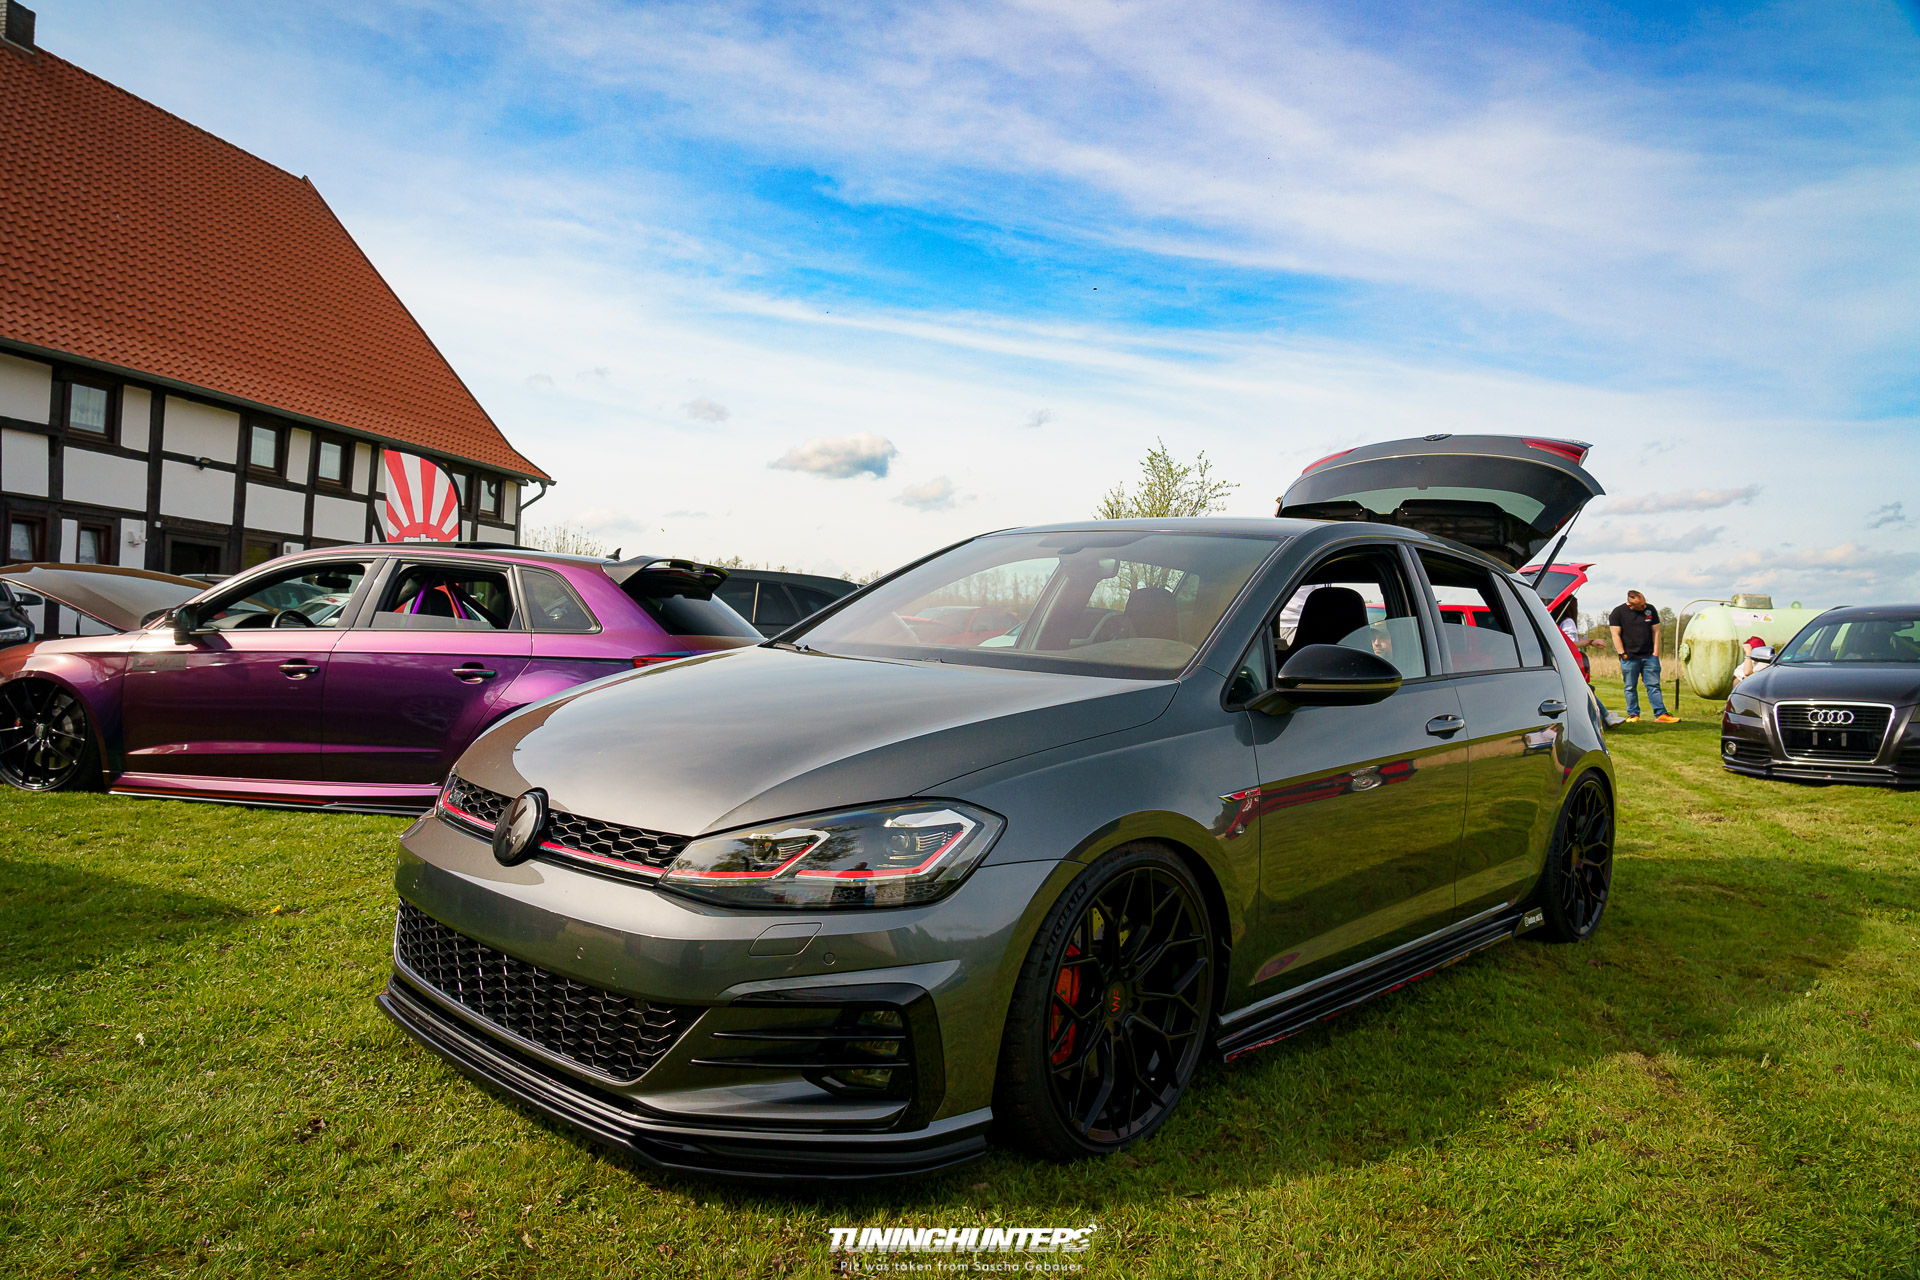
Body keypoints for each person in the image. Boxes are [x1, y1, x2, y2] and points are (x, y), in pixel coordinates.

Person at [1609, 590, 1679, 723]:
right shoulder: (1617, 613)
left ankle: (1661, 714)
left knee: (1653, 686)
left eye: (1645, 602)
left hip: (1649, 657)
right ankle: (1633, 714)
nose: (1645, 606)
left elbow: (1656, 631)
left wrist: (1656, 653)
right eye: (1641, 606)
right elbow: (1615, 634)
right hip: (1629, 657)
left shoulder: (1650, 609)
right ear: (1631, 606)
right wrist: (1622, 653)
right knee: (1630, 687)